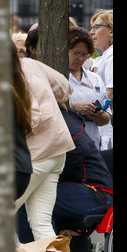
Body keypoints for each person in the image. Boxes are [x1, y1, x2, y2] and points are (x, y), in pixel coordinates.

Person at [13, 53, 75, 242]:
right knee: (42, 223)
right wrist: (54, 98)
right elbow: (65, 87)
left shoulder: (9, 77)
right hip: (57, 148)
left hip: (35, 156)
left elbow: (32, 117)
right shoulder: (30, 64)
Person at [66, 27, 111, 149]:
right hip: (68, 145)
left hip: (93, 145)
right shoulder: (57, 76)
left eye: (84, 54)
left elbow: (106, 118)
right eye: (75, 53)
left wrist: (99, 115)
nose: (80, 58)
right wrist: (74, 106)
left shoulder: (95, 79)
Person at [88, 9, 113, 147]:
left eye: (96, 28)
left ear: (111, 31)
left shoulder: (112, 55)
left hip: (107, 131)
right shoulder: (104, 56)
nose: (91, 32)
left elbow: (111, 92)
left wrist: (98, 113)